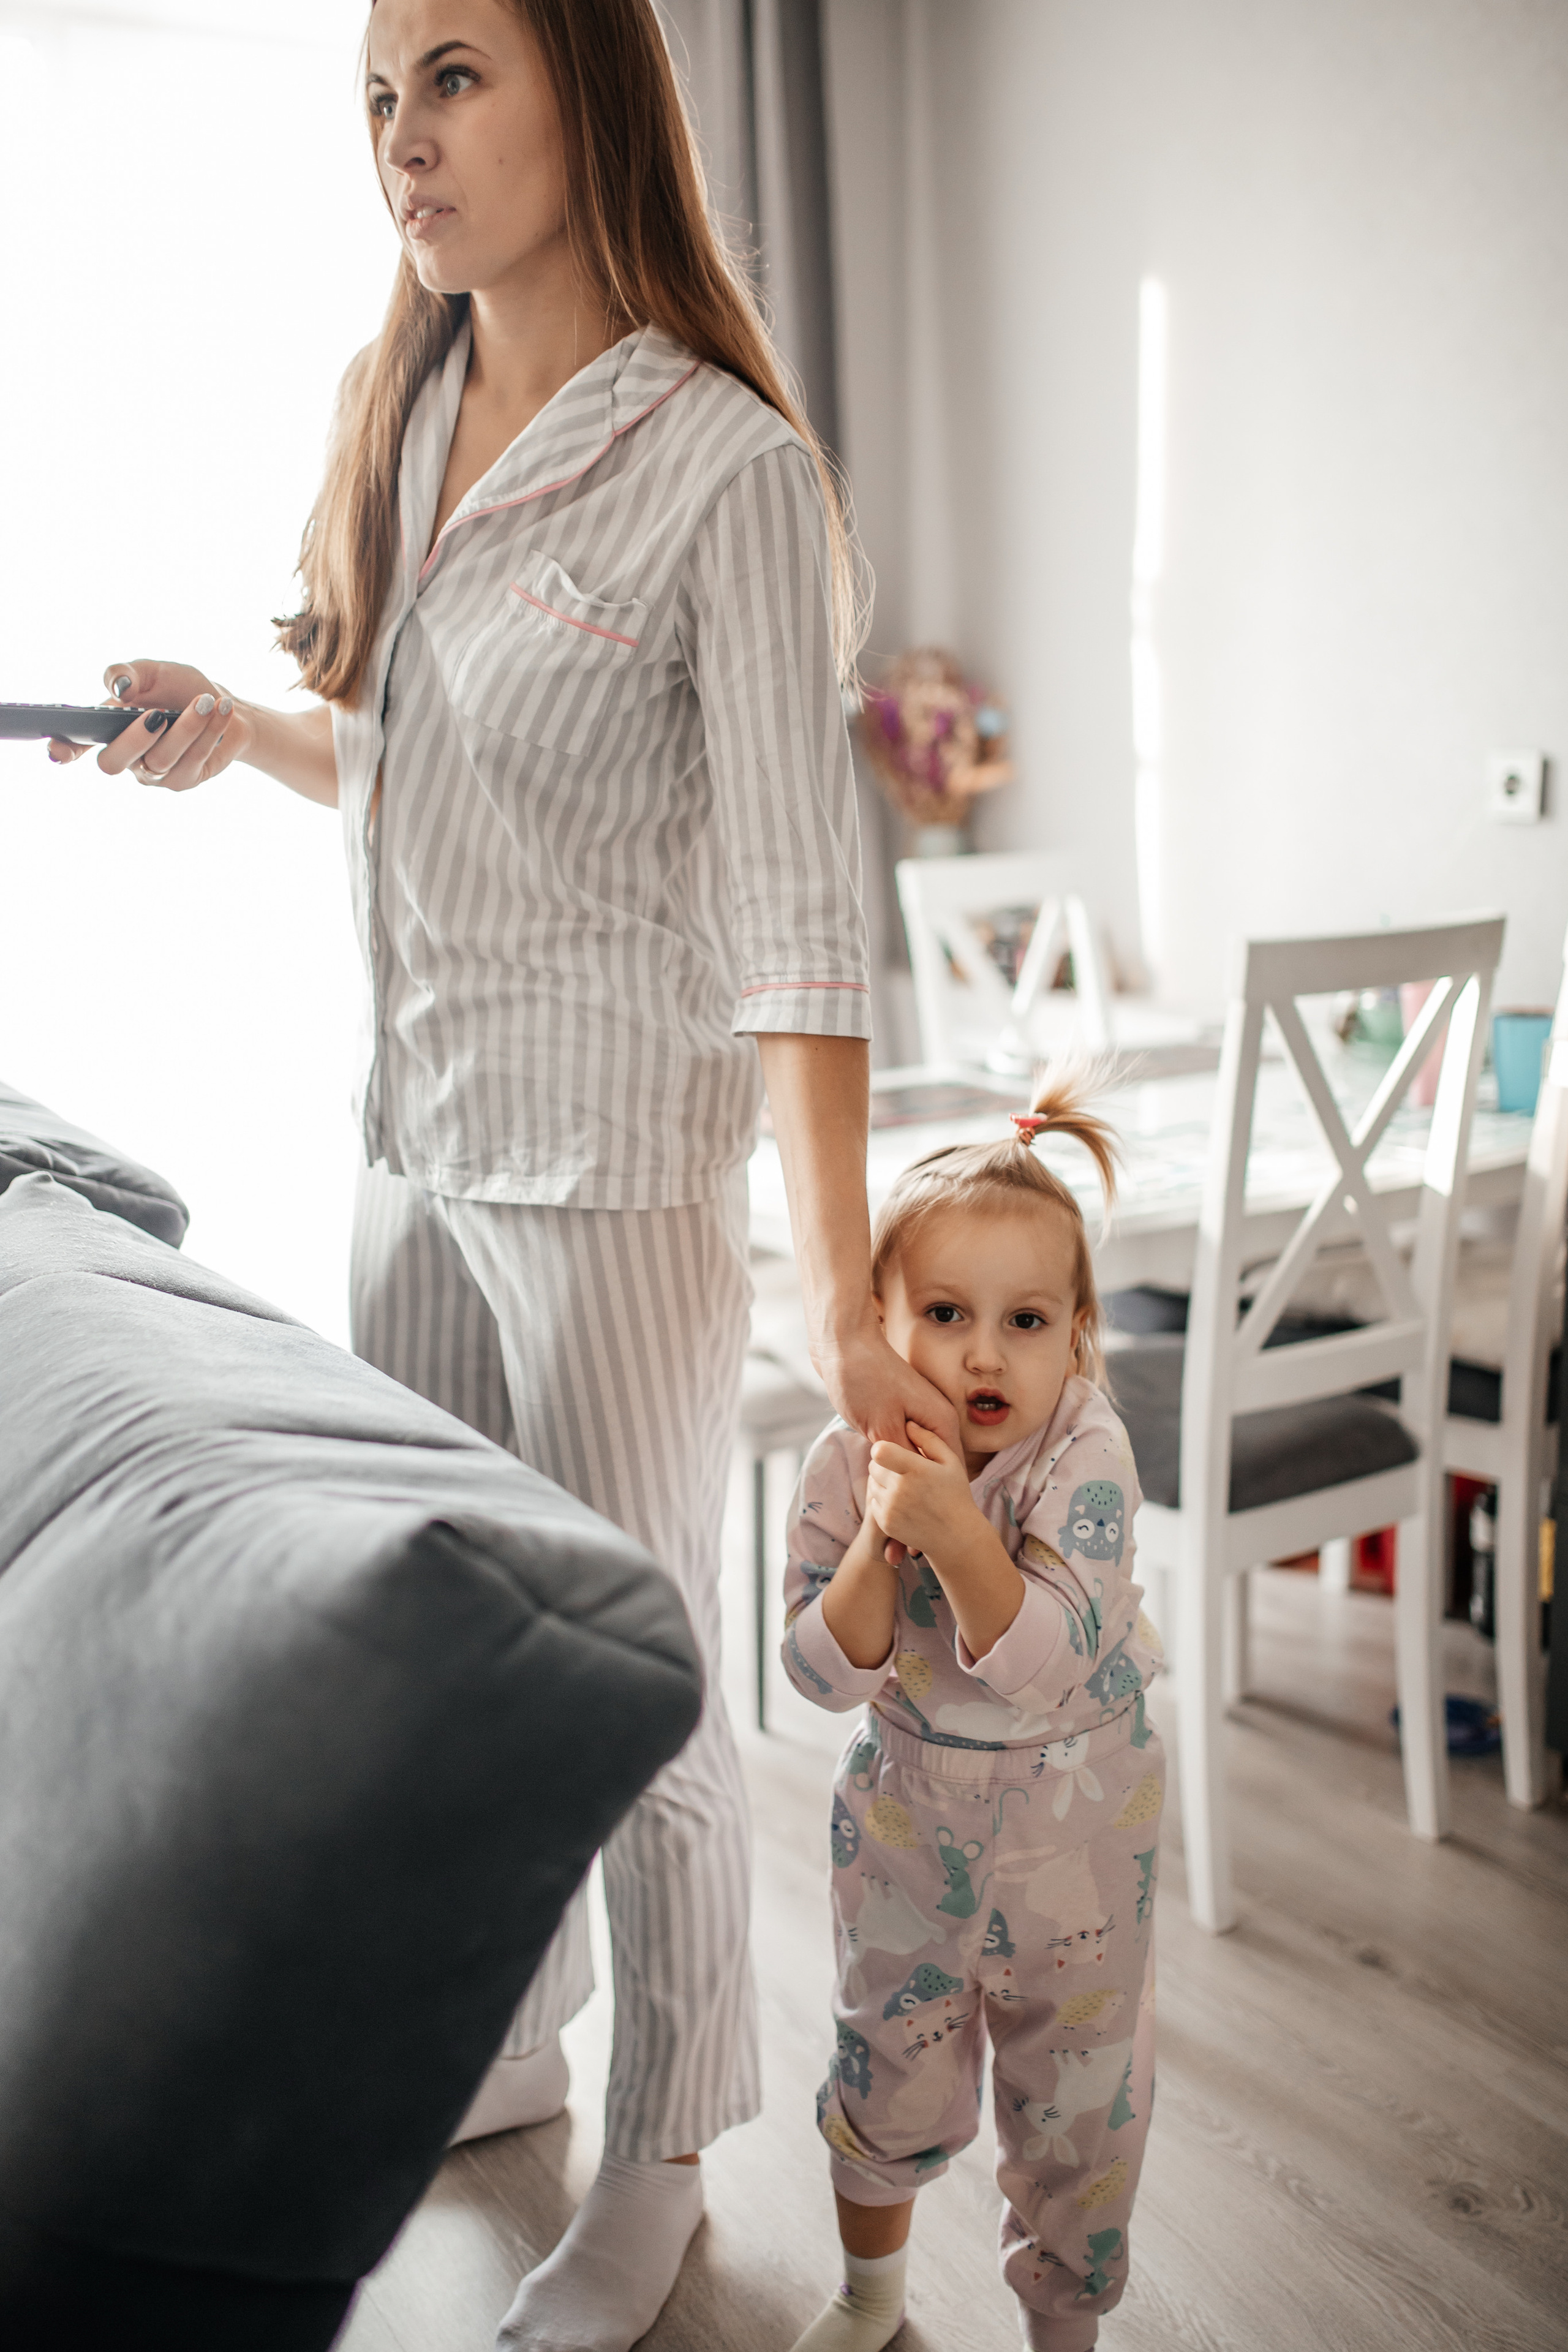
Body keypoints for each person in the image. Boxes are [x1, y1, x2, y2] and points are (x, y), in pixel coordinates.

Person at [48, 4, 961, 2346]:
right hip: (415, 1141)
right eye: (375, 98)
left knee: (640, 1675)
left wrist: (849, 1285)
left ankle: (662, 2153)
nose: (402, 141)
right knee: (472, 1632)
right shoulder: (424, 407)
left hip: (613, 1174)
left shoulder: (725, 472)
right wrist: (249, 732)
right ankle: (520, 2041)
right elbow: (443, 787)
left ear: (590, 87)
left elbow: (789, 912)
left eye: (450, 75)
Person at [778, 1070, 1165, 2352]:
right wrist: (880, 1545)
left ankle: (1063, 2335)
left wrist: (951, 1529)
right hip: (904, 1823)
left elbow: (1042, 1654)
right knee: (879, 2066)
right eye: (943, 1314)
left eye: (1024, 1320)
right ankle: (866, 2301)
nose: (983, 1354)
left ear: (1076, 1336)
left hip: (1079, 1843)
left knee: (1080, 2108)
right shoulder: (850, 1456)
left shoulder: (1085, 1455)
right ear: (878, 1322)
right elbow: (816, 1673)